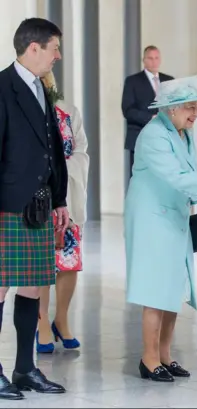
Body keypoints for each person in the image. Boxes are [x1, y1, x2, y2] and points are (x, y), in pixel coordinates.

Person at [124, 76, 197, 382]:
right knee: (155, 288)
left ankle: (165, 355)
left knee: (174, 285)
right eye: (191, 107)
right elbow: (177, 177)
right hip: (152, 219)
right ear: (172, 108)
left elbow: (191, 173)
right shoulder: (153, 135)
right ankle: (148, 360)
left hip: (174, 217)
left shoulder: (182, 133)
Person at [0, 18, 68, 399]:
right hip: (6, 205)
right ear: (34, 48)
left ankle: (25, 368)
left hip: (39, 206)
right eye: (54, 48)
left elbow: (52, 148)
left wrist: (59, 198)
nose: (57, 56)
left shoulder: (41, 88)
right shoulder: (1, 86)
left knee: (32, 289)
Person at [36, 71, 90, 354]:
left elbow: (82, 148)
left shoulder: (68, 111)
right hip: (40, 199)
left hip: (67, 195)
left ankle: (62, 319)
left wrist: (64, 170)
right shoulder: (29, 111)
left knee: (69, 262)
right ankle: (42, 321)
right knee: (43, 265)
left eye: (49, 78)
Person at [122, 45, 173, 178]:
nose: (154, 61)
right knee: (140, 178)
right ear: (144, 60)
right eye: (150, 58)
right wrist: (150, 118)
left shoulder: (169, 80)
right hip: (140, 137)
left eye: (156, 58)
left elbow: (175, 106)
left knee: (163, 177)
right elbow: (128, 110)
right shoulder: (132, 81)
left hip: (164, 138)